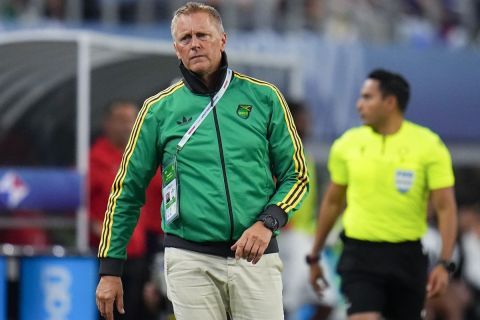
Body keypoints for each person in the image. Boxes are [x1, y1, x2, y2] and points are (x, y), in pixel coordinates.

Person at [95, 2, 309, 320]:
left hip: (256, 255)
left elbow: (297, 175)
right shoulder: (157, 110)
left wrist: (268, 223)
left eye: (202, 35)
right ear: (176, 49)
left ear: (222, 39)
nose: (194, 44)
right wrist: (111, 269)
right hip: (189, 258)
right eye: (185, 38)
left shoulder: (265, 98)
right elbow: (126, 191)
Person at [307, 69, 458, 320]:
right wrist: (314, 256)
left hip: (407, 257)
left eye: (367, 97)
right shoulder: (347, 144)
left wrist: (444, 263)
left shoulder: (429, 145)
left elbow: (445, 208)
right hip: (359, 255)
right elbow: (333, 203)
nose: (359, 104)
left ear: (390, 103)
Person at [89, 100, 162, 320]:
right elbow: (81, 200)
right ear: (107, 123)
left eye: (132, 120)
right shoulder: (95, 158)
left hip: (145, 247)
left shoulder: (143, 154)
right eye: (121, 120)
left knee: (139, 309)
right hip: (107, 251)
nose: (128, 126)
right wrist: (93, 225)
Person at [278, 101, 337, 320]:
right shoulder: (280, 151)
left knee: (326, 299)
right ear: (290, 121)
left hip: (304, 238)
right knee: (286, 304)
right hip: (287, 238)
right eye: (304, 119)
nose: (308, 124)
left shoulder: (304, 154)